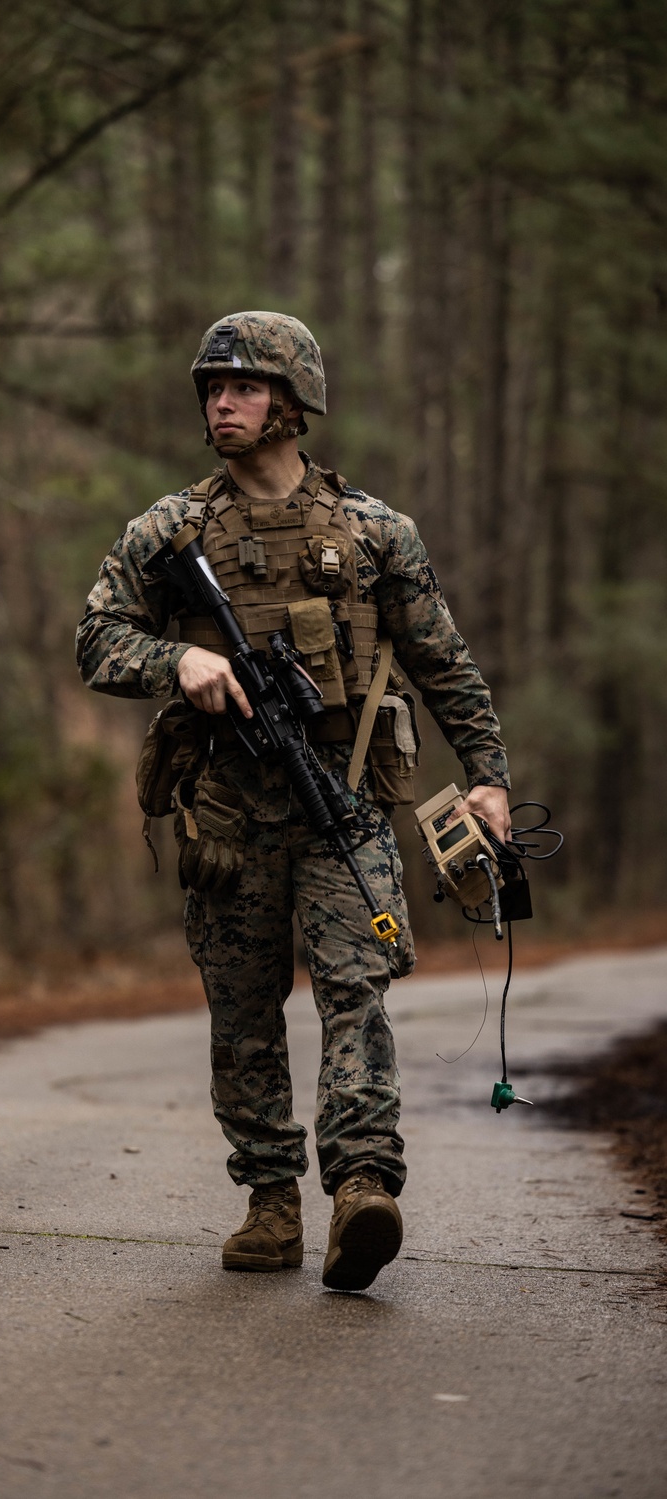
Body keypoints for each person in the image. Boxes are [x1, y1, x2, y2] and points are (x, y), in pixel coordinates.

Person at [75, 311, 510, 1292]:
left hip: (341, 803)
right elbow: (95, 638)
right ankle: (270, 1196)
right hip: (224, 807)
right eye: (209, 389)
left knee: (356, 989)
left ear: (291, 401)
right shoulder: (169, 531)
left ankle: (361, 1183)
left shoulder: (371, 533)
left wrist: (488, 777)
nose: (219, 402)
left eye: (240, 386)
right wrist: (176, 656)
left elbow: (445, 665)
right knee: (241, 1008)